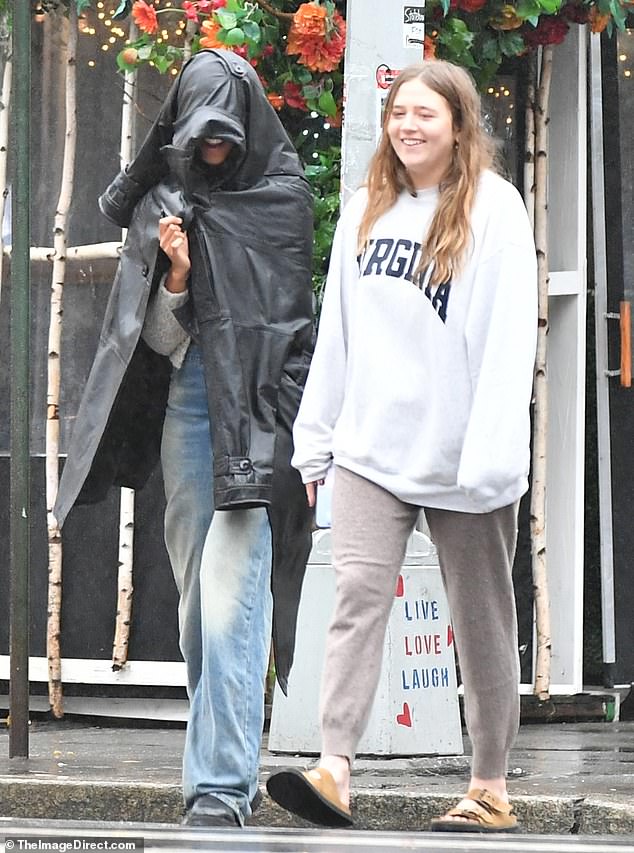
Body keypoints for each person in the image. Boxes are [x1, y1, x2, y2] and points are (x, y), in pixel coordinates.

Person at [265, 59, 537, 834]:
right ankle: (335, 766)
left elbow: (509, 338)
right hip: (371, 447)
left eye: (425, 114)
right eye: (398, 114)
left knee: (481, 617)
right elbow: (338, 336)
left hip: (463, 452)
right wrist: (315, 443)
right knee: (353, 599)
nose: (409, 126)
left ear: (458, 124)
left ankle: (489, 785)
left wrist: (492, 453)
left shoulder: (495, 209)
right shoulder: (366, 208)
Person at [54, 49, 314, 827]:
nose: (212, 152)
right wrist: (176, 277)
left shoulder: (281, 199)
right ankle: (217, 774)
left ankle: (220, 788)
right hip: (193, 408)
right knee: (202, 602)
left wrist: (294, 427)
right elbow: (159, 343)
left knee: (233, 599)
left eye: (223, 137)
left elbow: (294, 328)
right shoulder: (163, 202)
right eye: (200, 139)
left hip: (258, 418)